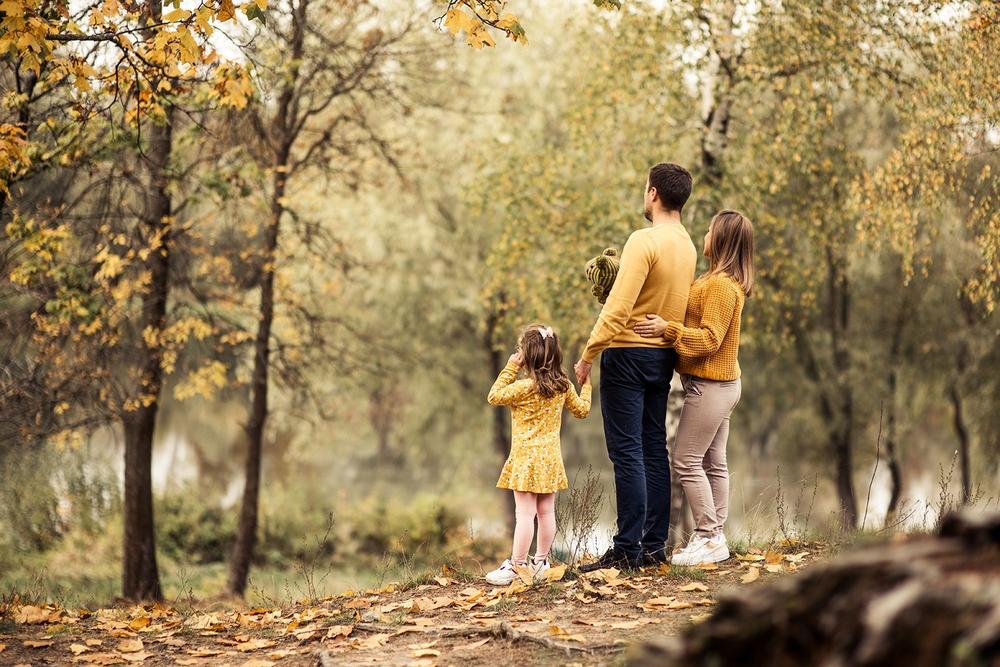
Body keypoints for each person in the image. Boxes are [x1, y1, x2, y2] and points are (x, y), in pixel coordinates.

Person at [575, 163, 697, 571]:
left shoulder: (643, 241)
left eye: (646, 188)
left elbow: (619, 306)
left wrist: (588, 354)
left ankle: (626, 549)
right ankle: (652, 546)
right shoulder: (688, 246)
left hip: (625, 354)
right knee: (652, 448)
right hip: (662, 357)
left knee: (627, 452)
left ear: (654, 194)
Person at [634, 209, 755, 566]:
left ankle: (708, 536)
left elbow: (709, 340)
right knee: (713, 463)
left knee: (685, 460)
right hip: (722, 385)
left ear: (720, 240)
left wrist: (667, 330)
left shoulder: (719, 286)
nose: (703, 236)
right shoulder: (718, 281)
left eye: (707, 231)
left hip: (711, 386)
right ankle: (714, 537)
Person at [485, 324, 592, 585]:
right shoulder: (563, 386)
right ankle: (541, 562)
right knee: (546, 512)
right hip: (550, 458)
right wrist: (587, 385)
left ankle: (517, 566)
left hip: (525, 460)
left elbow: (493, 396)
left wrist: (511, 367)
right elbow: (582, 411)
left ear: (526, 357)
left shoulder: (523, 388)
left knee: (525, 514)